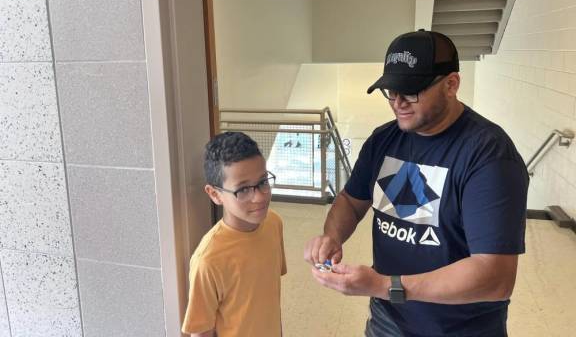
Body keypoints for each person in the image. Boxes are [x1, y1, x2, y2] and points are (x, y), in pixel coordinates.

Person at [304, 29, 528, 337]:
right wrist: (332, 236)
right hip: (388, 319)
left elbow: (495, 276)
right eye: (391, 92)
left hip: (461, 329)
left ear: (451, 84)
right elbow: (350, 201)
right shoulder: (383, 139)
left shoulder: (489, 156)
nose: (398, 103)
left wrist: (386, 285)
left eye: (410, 92)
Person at [182, 131, 287, 337]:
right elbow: (201, 332)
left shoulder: (274, 223)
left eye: (263, 182)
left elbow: (270, 302)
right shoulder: (208, 260)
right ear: (215, 194)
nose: (259, 197)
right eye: (243, 190)